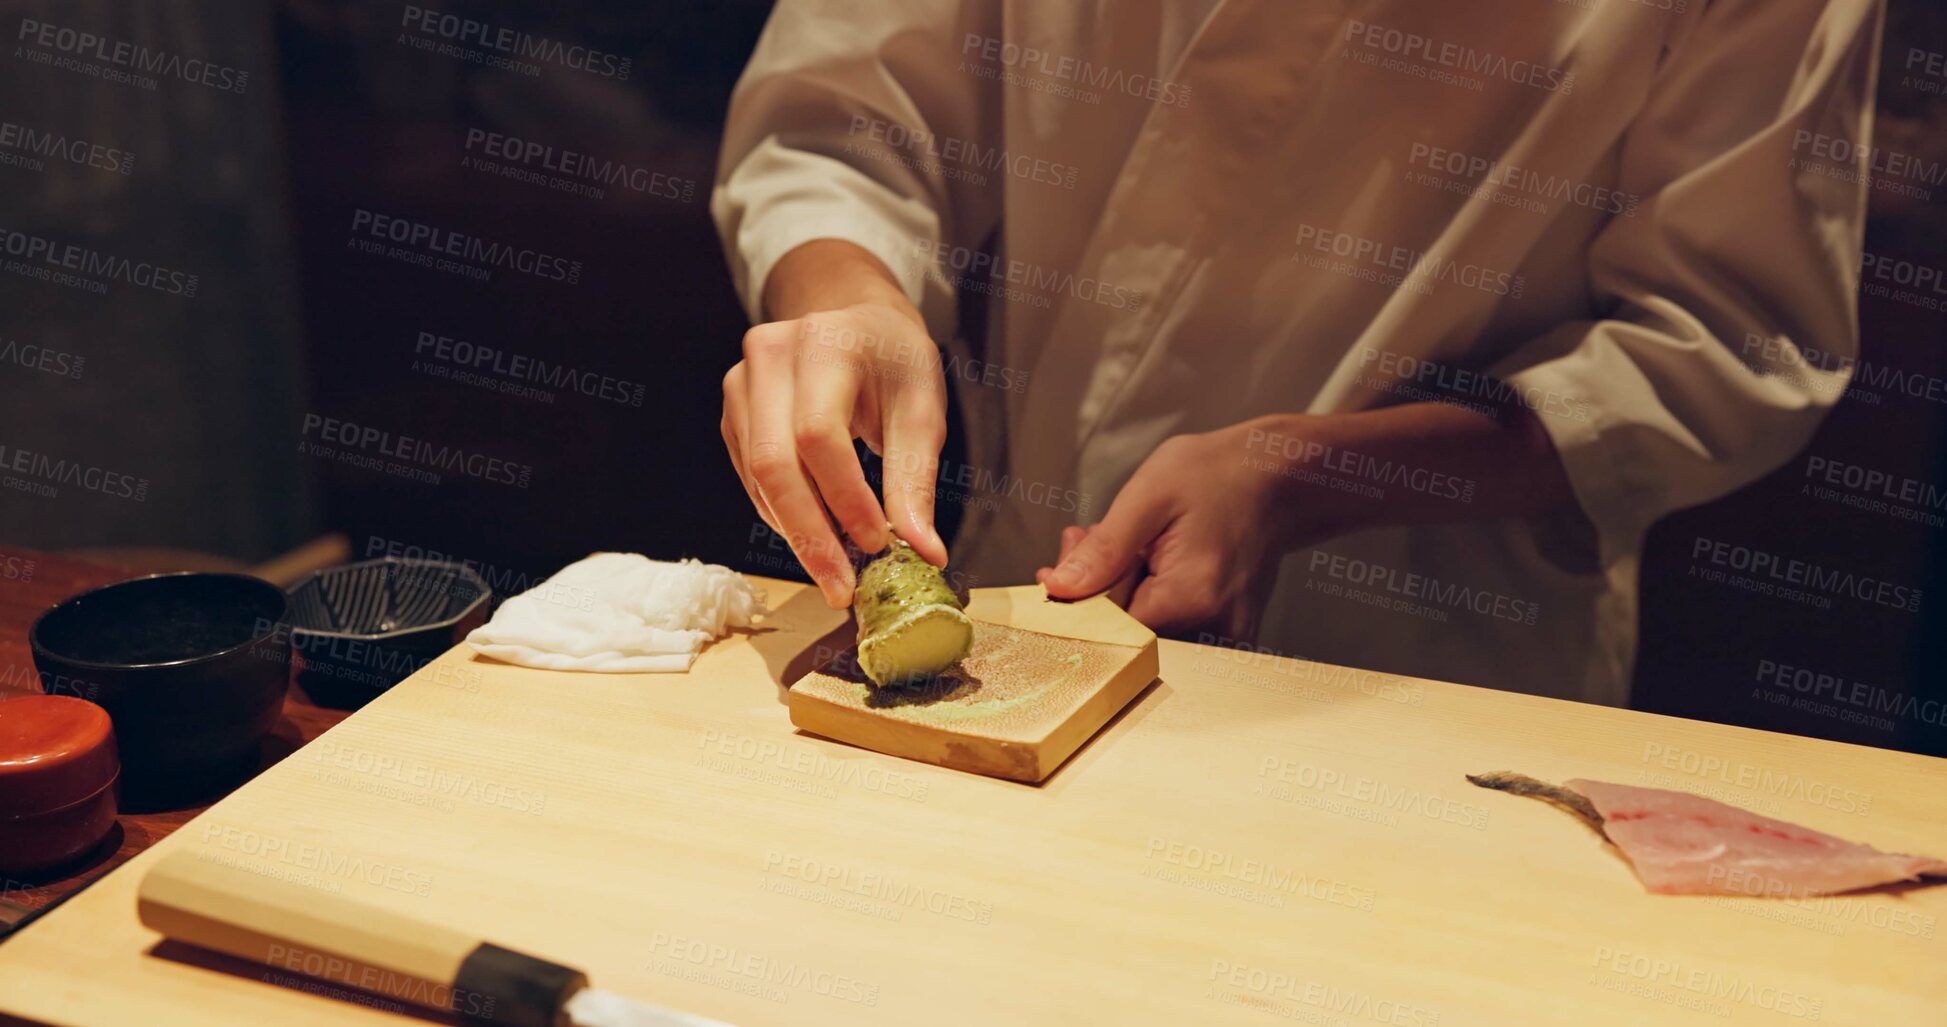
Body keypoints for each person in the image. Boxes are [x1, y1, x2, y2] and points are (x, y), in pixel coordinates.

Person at [712, 0, 1882, 705]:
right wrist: (846, 294)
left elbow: (1723, 335)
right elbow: (842, 118)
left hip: (1417, 675)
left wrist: (1311, 472)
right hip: (1021, 598)